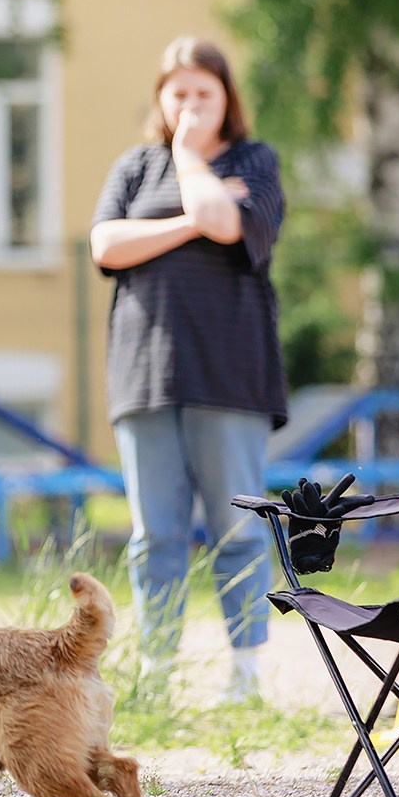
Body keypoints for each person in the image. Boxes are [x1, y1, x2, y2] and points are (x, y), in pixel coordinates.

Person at [89, 36, 288, 703]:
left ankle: (246, 673)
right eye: (179, 93)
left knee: (237, 526)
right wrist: (189, 219)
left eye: (204, 92)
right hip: (145, 371)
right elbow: (107, 245)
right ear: (160, 98)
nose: (191, 104)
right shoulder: (133, 166)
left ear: (228, 98)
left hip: (231, 373)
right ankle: (157, 673)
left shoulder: (254, 161)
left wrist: (188, 157)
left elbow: (229, 225)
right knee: (156, 534)